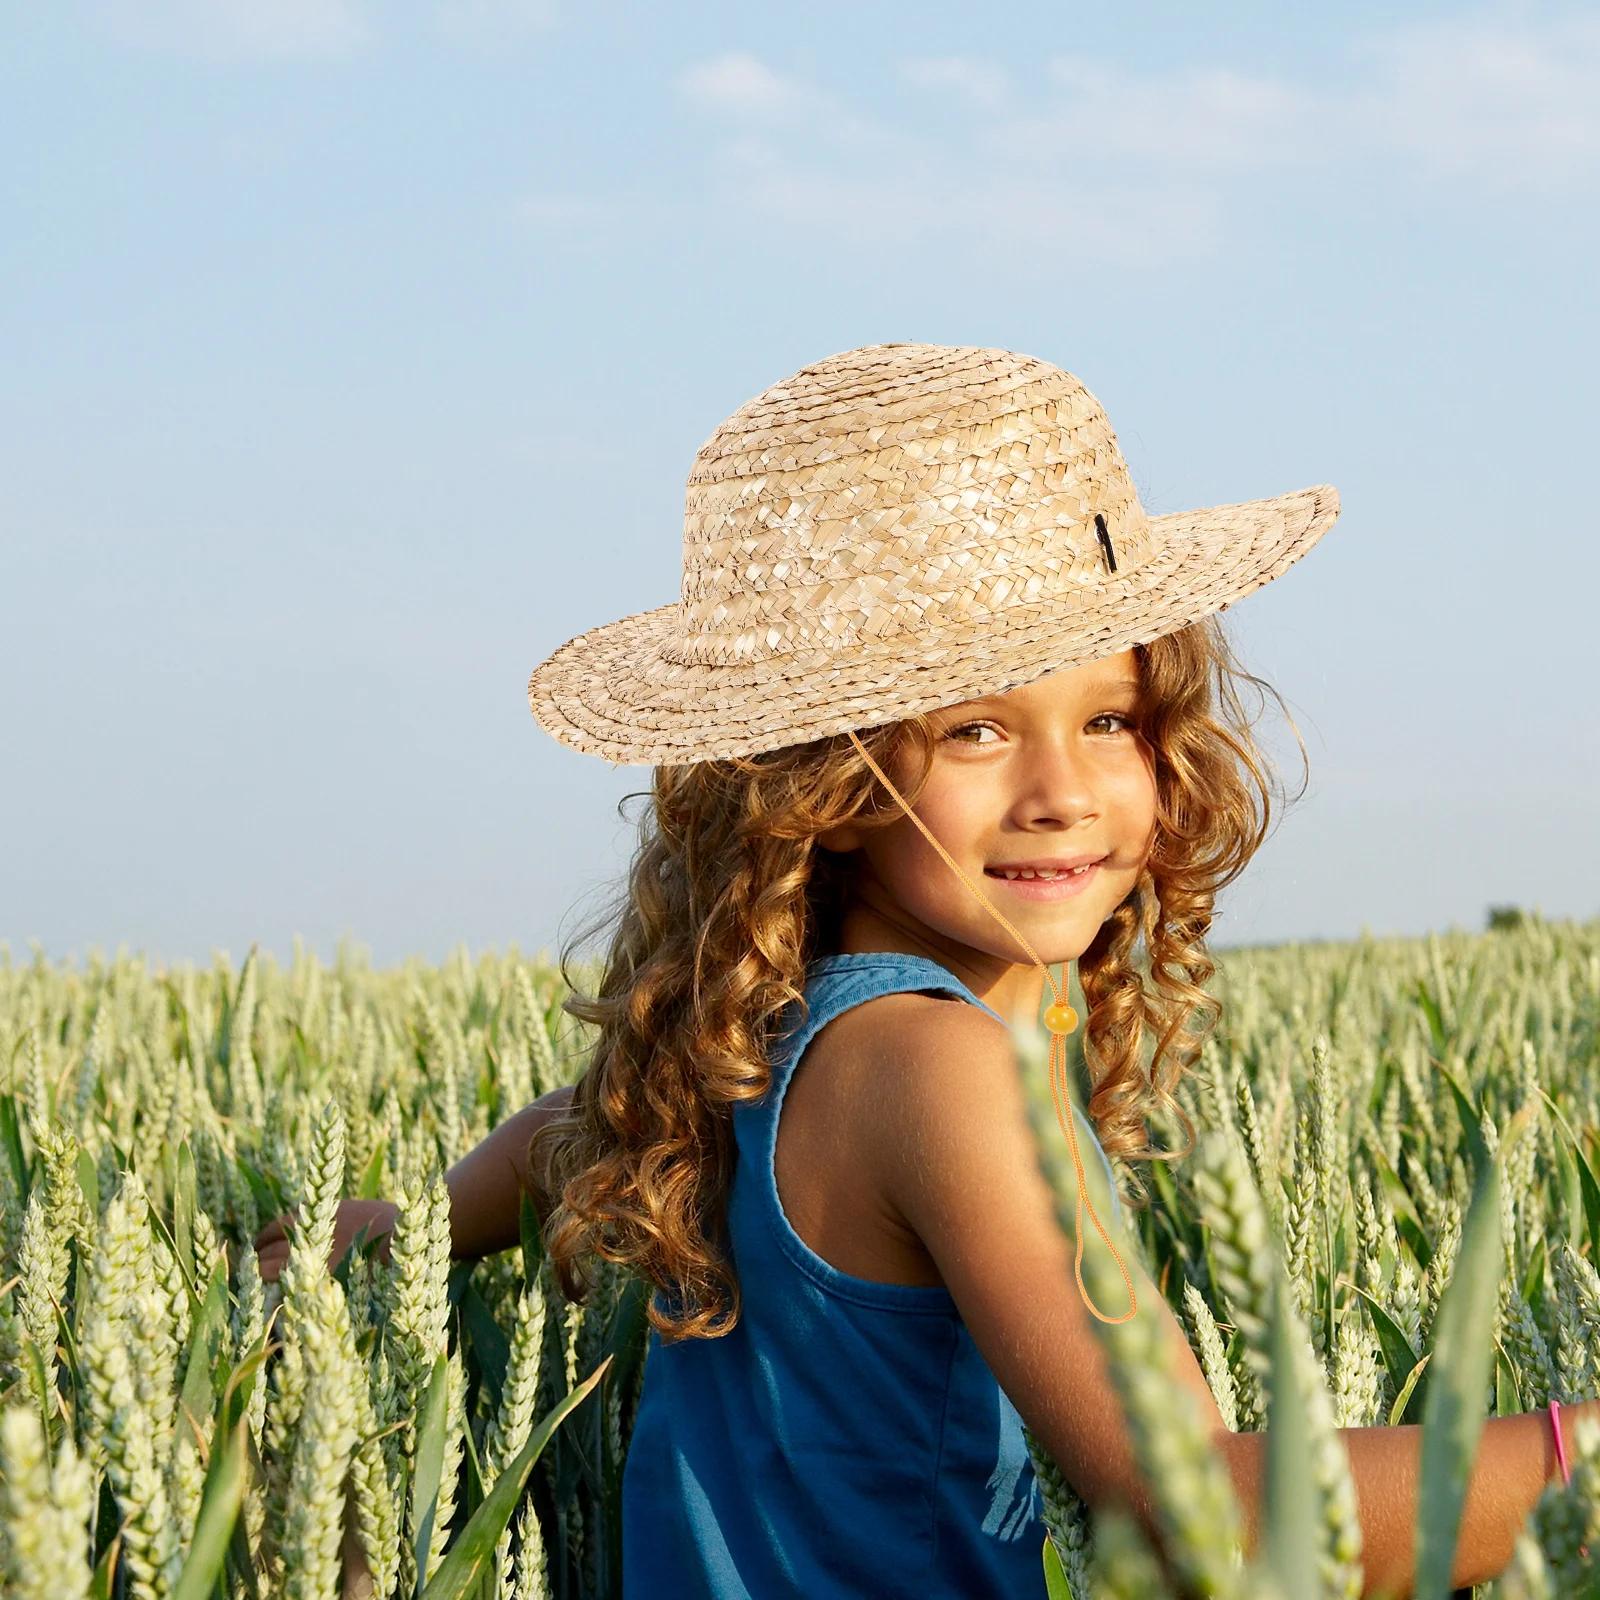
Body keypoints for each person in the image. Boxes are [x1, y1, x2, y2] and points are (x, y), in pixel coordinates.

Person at [258, 344, 1579, 1597]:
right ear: (822, 779)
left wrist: (389, 1227)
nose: (1063, 792)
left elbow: (573, 1131)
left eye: (1110, 718)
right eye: (977, 728)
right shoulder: (942, 1072)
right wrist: (1576, 1456)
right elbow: (1203, 1526)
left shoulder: (758, 1035)